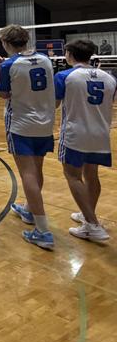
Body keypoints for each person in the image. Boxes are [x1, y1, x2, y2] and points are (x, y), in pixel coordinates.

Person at [0, 24, 57, 250]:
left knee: (28, 174)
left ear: (6, 43)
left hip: (21, 124)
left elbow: (3, 94)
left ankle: (43, 230)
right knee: (37, 170)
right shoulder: (47, 60)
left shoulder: (10, 64)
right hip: (45, 123)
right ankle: (30, 209)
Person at [55, 39, 114, 241]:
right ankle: (87, 212)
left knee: (72, 176)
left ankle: (92, 224)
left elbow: (54, 105)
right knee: (92, 175)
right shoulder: (109, 78)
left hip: (75, 133)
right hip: (101, 133)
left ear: (69, 54)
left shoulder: (64, 76)